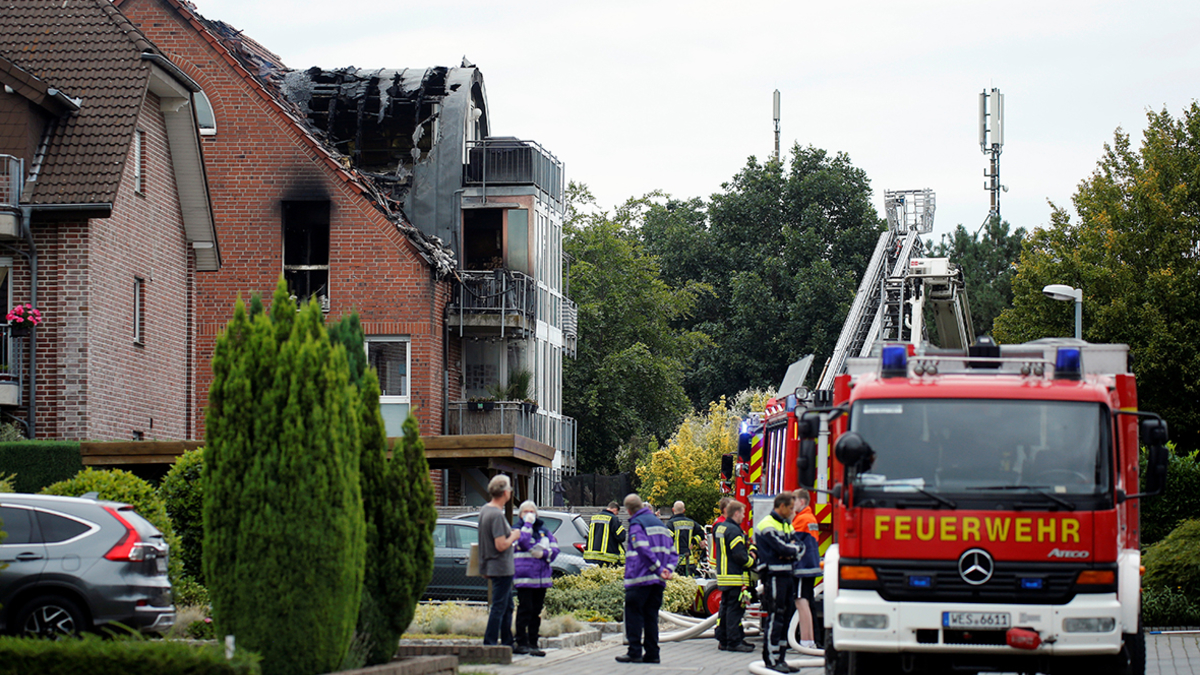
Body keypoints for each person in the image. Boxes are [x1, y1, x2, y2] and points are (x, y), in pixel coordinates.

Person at [616, 493, 679, 664]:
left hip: (640, 578)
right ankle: (652, 653)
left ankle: (634, 651)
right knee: (651, 616)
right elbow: (673, 552)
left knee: (634, 614)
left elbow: (642, 548)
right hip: (658, 582)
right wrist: (667, 570)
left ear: (628, 510)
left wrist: (658, 569)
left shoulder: (637, 524)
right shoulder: (660, 525)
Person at [756, 492, 802, 673]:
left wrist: (790, 551)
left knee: (786, 616)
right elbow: (780, 548)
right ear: (781, 506)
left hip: (787, 574)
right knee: (775, 616)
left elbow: (800, 547)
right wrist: (789, 550)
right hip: (774, 576)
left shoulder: (786, 525)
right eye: (790, 508)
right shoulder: (767, 525)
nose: (792, 512)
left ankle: (781, 657)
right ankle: (771, 658)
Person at [478, 474, 521, 647]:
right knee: (498, 606)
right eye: (509, 488)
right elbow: (501, 544)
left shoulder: (484, 510)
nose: (511, 491)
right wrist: (514, 536)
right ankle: (490, 642)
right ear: (504, 492)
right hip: (501, 567)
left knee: (507, 606)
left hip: (493, 565)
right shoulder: (496, 515)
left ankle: (508, 642)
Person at [513, 500, 559, 657]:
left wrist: (544, 554)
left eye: (531, 512)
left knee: (536, 612)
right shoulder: (517, 529)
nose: (529, 515)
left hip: (541, 579)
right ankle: (521, 642)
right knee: (524, 610)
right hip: (525, 578)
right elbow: (523, 543)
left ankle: (533, 643)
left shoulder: (543, 531)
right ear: (520, 515)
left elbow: (554, 548)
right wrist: (527, 525)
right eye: (525, 512)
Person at [714, 500, 755, 652]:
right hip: (735, 576)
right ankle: (733, 641)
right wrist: (753, 563)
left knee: (725, 609)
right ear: (736, 513)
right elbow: (739, 556)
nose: (744, 516)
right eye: (743, 513)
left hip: (724, 575)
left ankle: (724, 639)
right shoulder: (734, 530)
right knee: (735, 610)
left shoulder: (721, 527)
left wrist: (749, 546)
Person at [791, 491, 822, 650]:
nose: (792, 504)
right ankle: (810, 640)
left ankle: (806, 641)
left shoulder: (802, 519)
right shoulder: (810, 518)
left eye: (794, 500)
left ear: (802, 501)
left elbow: (790, 541)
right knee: (807, 602)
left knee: (801, 601)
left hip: (802, 568)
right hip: (810, 566)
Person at [711, 496, 734, 648]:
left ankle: (722, 632)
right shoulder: (721, 524)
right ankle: (723, 633)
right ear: (726, 509)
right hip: (726, 567)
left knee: (726, 603)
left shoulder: (719, 523)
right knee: (728, 604)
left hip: (722, 565)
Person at [666, 501, 705, 576]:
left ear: (673, 510)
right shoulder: (691, 522)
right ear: (684, 510)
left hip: (676, 562)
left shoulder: (671, 524)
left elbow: (666, 539)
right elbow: (702, 532)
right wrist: (693, 542)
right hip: (689, 561)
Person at [583, 501, 625, 566]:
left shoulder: (593, 518)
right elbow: (621, 537)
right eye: (617, 513)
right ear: (615, 510)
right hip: (607, 558)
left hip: (591, 557)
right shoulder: (613, 519)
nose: (616, 515)